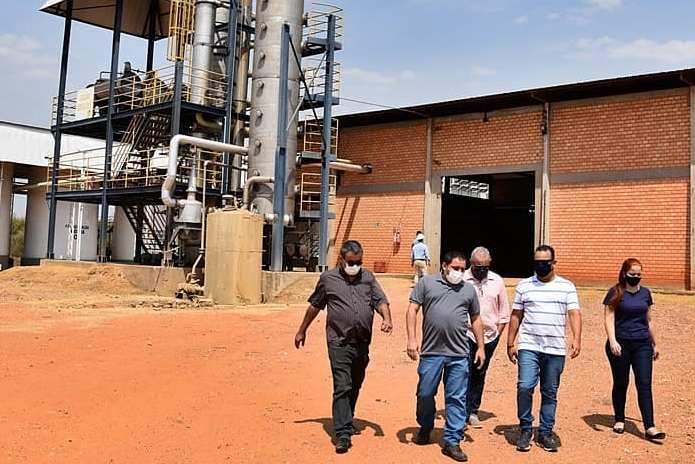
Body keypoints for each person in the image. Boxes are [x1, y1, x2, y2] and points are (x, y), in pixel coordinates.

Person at [294, 240, 393, 454]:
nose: (355, 266)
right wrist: (302, 329)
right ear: (341, 259)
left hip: (362, 342)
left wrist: (387, 318)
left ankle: (347, 417)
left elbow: (380, 300)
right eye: (351, 262)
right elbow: (315, 305)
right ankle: (342, 433)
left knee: (355, 384)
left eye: (358, 262)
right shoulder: (328, 279)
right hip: (339, 341)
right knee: (343, 385)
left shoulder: (367, 278)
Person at [406, 250, 486, 462]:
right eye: (455, 268)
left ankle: (452, 440)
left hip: (459, 353)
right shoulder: (427, 284)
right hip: (431, 352)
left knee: (456, 398)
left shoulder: (468, 290)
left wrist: (480, 347)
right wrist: (412, 339)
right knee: (425, 393)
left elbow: (476, 318)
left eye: (462, 269)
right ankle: (425, 425)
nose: (459, 272)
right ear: (444, 266)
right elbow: (412, 309)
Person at [506, 245, 582, 453]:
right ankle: (525, 429)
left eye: (545, 262)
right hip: (529, 346)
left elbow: (574, 313)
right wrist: (510, 342)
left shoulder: (567, 286)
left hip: (554, 348)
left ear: (553, 263)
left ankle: (546, 432)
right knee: (524, 386)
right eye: (537, 262)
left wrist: (577, 338)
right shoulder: (524, 286)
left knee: (549, 391)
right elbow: (516, 315)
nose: (541, 265)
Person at [603, 258, 666, 441]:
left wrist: (655, 343)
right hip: (620, 345)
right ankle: (620, 419)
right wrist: (613, 340)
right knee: (621, 382)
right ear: (624, 274)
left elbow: (649, 320)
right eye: (632, 274)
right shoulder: (615, 292)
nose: (636, 277)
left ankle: (650, 426)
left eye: (639, 274)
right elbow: (608, 317)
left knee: (644, 384)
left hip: (642, 345)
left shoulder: (645, 293)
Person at [463, 246, 510, 428]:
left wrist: (497, 334)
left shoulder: (496, 281)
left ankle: (474, 410)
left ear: (489, 264)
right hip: (466, 334)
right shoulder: (463, 279)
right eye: (477, 266)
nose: (481, 269)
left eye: (484, 266)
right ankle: (462, 412)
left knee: (479, 373)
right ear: (471, 263)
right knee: (463, 371)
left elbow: (504, 311)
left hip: (490, 336)